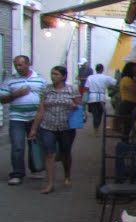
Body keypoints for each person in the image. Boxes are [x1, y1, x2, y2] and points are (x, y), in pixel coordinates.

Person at [28, 65, 82, 194]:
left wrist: (74, 105)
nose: (53, 76)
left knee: (65, 152)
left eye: (56, 74)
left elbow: (79, 106)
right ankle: (50, 184)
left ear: (63, 76)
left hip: (66, 127)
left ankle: (67, 175)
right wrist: (34, 129)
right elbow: (41, 110)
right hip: (48, 126)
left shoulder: (72, 89)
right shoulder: (46, 89)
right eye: (52, 74)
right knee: (49, 154)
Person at [0, 55, 46, 185]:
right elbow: (2, 99)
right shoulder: (10, 80)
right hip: (17, 118)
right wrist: (16, 94)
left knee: (35, 144)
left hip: (34, 117)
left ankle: (35, 169)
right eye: (16, 65)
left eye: (20, 65)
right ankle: (17, 173)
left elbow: (46, 97)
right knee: (17, 146)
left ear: (28, 64)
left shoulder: (40, 79)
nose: (18, 68)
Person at [84, 63, 117, 136]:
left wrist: (85, 98)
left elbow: (86, 88)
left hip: (92, 97)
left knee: (95, 114)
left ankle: (96, 128)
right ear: (102, 69)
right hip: (101, 98)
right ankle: (96, 128)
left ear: (96, 69)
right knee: (99, 114)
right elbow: (115, 82)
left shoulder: (90, 77)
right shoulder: (106, 77)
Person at [117, 61, 136, 138]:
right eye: (135, 69)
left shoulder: (130, 79)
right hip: (128, 105)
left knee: (129, 126)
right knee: (127, 126)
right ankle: (124, 142)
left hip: (131, 104)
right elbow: (135, 89)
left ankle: (125, 141)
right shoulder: (126, 79)